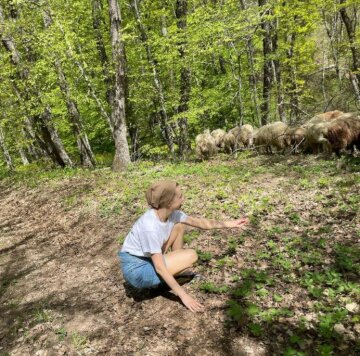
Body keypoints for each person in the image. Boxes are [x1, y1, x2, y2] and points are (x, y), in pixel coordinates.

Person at [119, 180, 249, 312]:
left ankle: (176, 270)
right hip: (137, 271)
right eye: (180, 196)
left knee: (179, 225)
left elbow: (200, 223)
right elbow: (160, 268)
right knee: (191, 256)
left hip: (147, 259)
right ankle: (166, 280)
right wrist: (184, 296)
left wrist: (230, 223)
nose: (184, 198)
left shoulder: (171, 214)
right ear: (169, 202)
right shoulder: (150, 227)